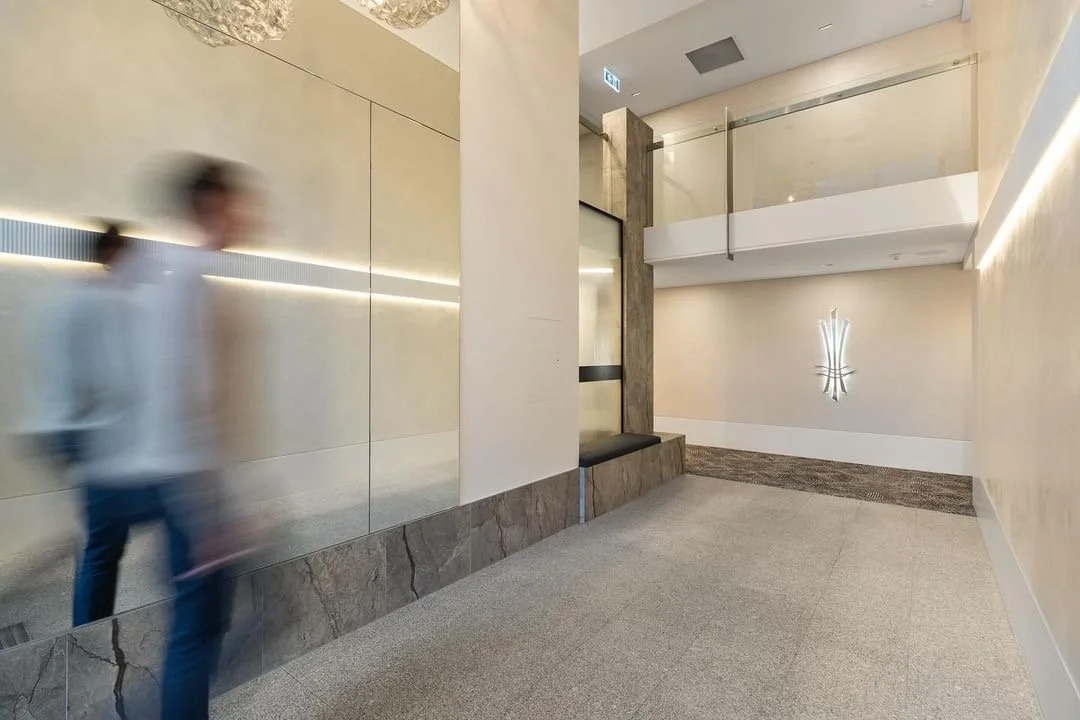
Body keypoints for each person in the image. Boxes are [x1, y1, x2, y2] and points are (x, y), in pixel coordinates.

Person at [66, 157, 252, 720]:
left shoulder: (168, 277)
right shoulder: (183, 282)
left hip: (171, 479)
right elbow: (178, 403)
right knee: (195, 632)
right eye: (238, 203)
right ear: (213, 206)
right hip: (181, 483)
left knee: (200, 626)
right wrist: (204, 513)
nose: (247, 215)